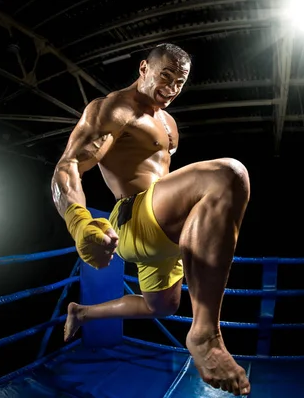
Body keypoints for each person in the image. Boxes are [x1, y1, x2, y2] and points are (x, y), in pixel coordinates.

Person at [51, 43, 251, 396]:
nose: (171, 88)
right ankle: (206, 334)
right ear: (144, 68)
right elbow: (67, 166)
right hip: (133, 218)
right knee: (228, 175)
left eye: (180, 82)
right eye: (166, 76)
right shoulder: (115, 109)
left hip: (162, 230)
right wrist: (78, 220)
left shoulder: (168, 121)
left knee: (162, 305)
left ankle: (82, 313)